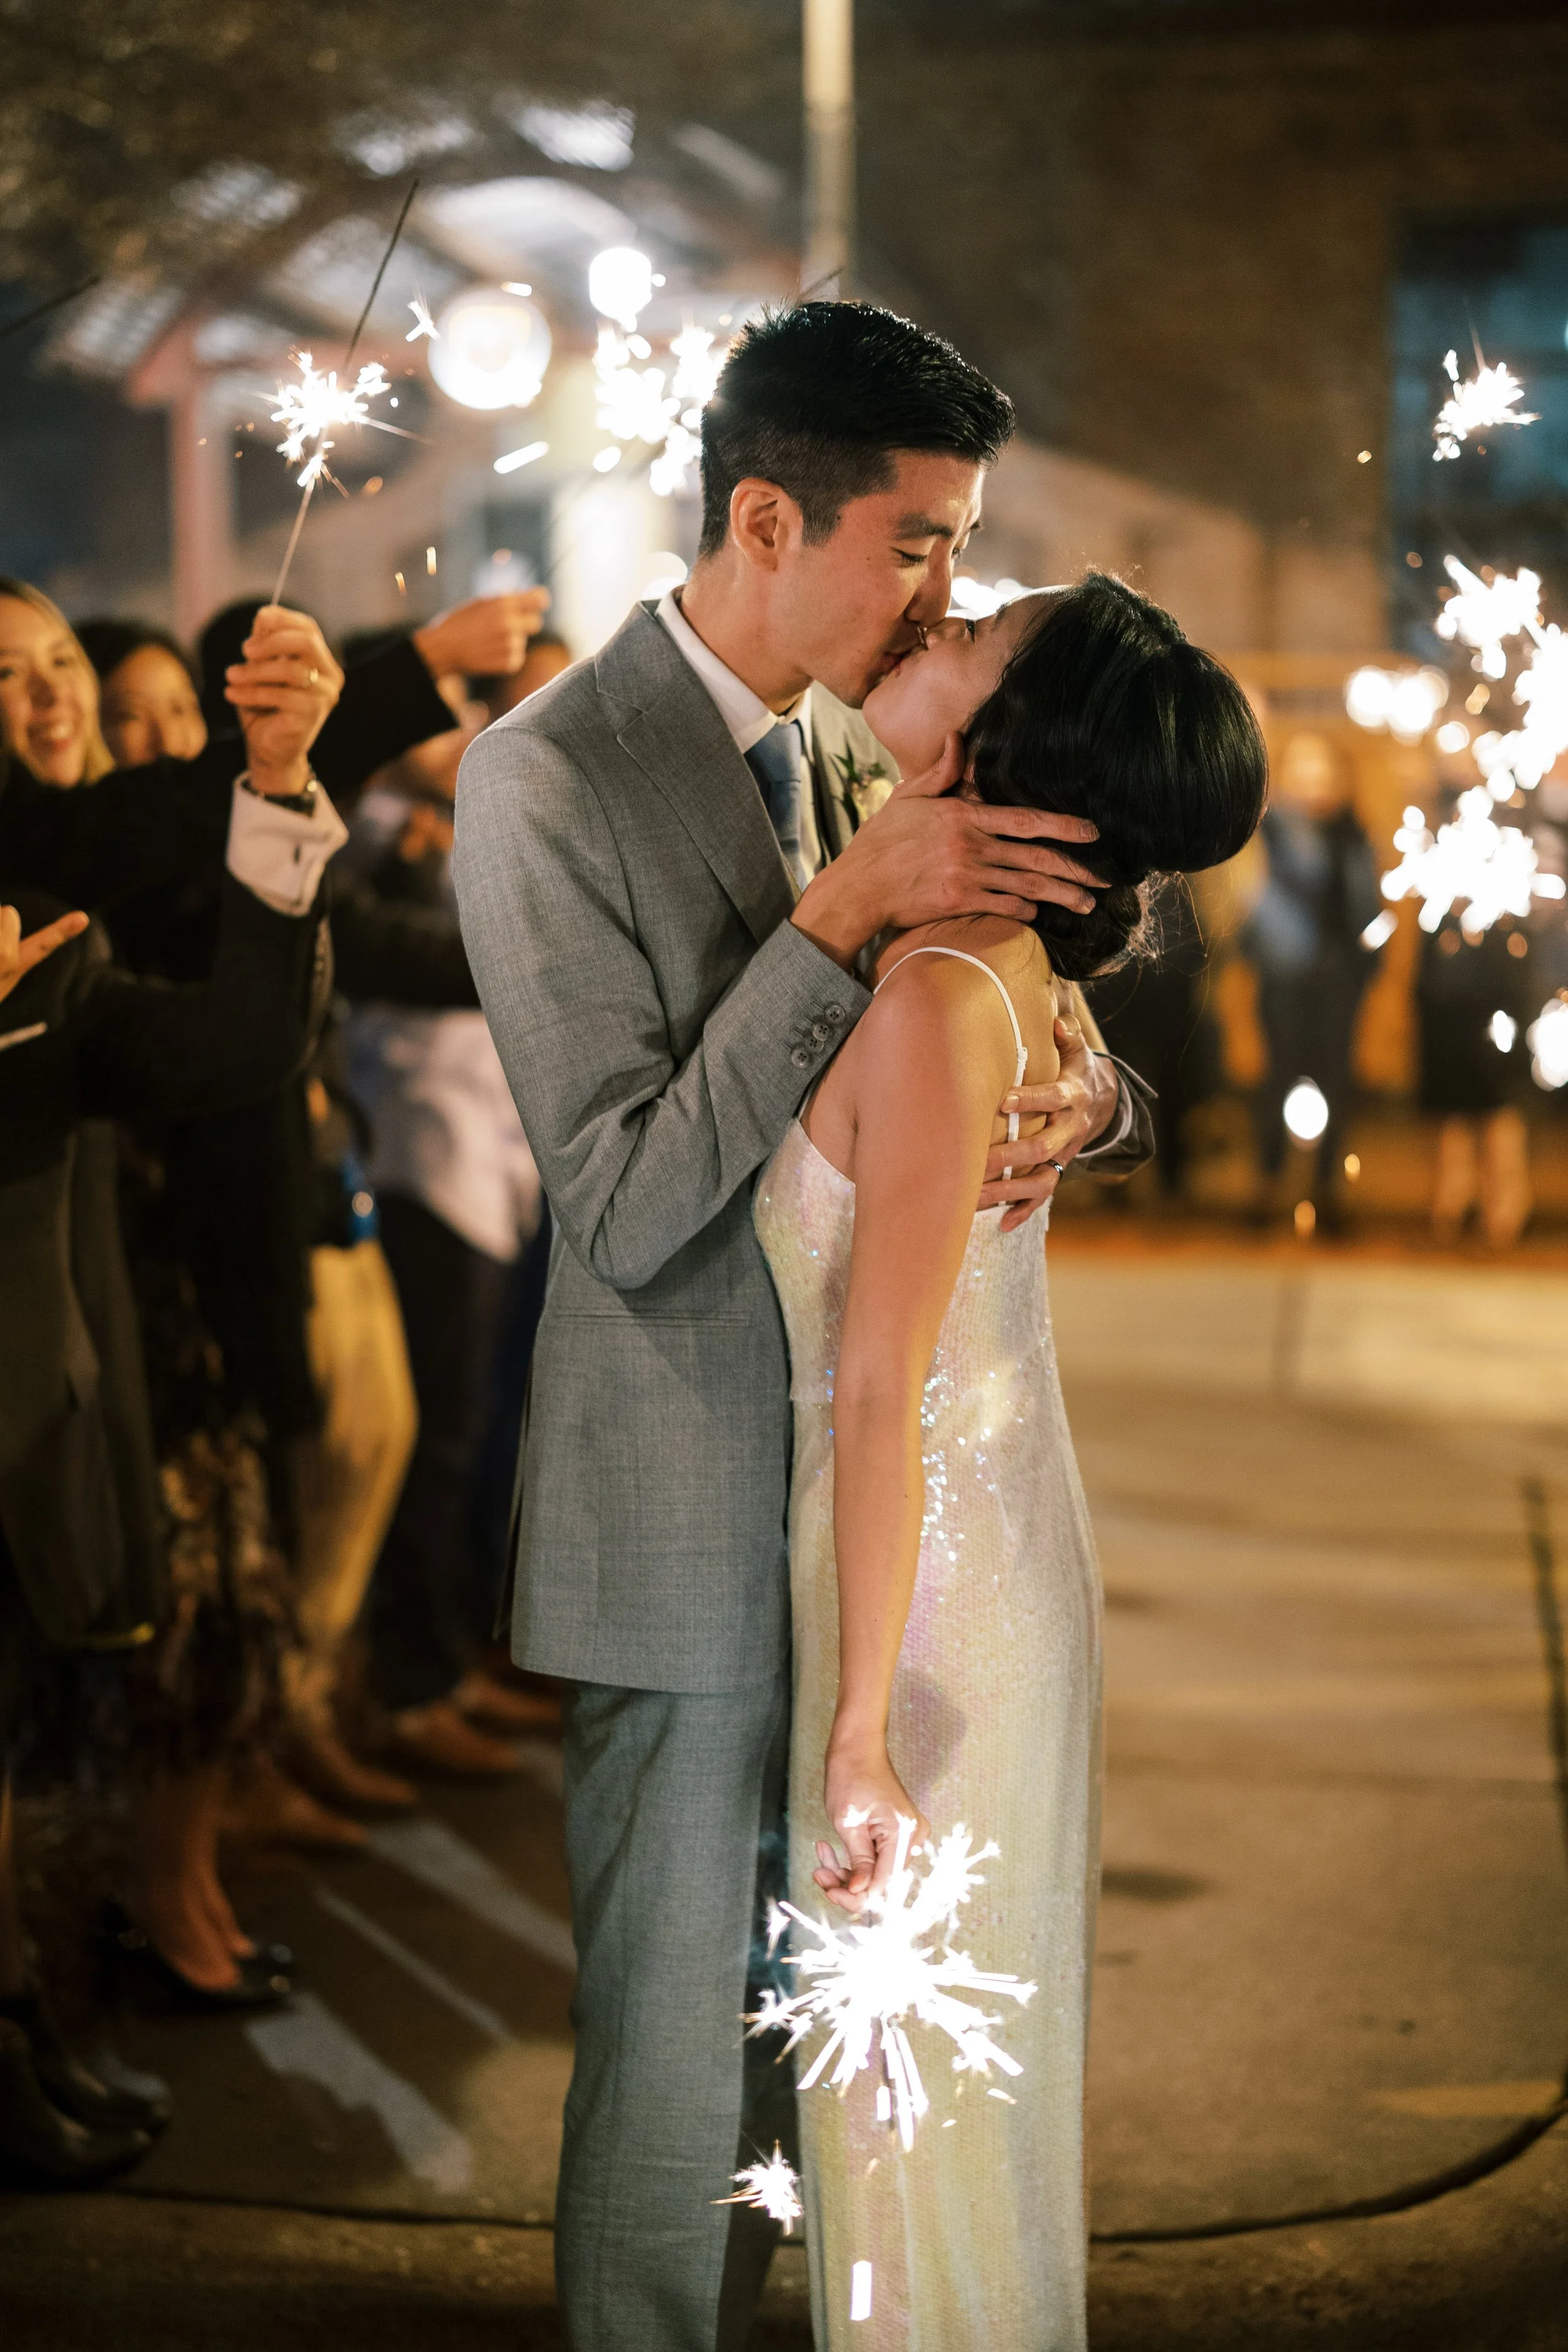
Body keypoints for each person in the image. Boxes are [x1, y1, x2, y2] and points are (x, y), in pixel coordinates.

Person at [455, 301, 1156, 2352]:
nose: (943, 593)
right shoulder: (542, 777)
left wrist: (1091, 1098)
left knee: (834, 2072)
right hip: (682, 1522)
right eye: (916, 542)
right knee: (680, 2082)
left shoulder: (869, 740)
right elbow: (620, 1201)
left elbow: (1007, 1010)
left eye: (962, 547)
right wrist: (843, 912)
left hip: (888, 1550)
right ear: (768, 518)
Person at [755, 569, 1264, 2347]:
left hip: (925, 1604)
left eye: (979, 631)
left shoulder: (932, 998)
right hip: (973, 1556)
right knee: (943, 2106)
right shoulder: (992, 966)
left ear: (1009, 748)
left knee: (907, 2123)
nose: (941, 615)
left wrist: (857, 1732)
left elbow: (876, 1380)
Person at [0, 659, 344, 2176]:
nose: (38, 699)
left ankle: (18, 2031)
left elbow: (240, 1044)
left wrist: (276, 790)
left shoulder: (43, 938)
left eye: (50, 666)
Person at [1242, 728, 1382, 1227]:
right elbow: (1253, 902)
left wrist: (1366, 963)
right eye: (1302, 767)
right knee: (1279, 1077)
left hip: (1339, 978)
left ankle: (1328, 1187)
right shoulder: (1269, 830)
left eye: (1321, 767)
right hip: (1285, 974)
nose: (1312, 778)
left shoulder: (1351, 833)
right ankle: (1270, 1182)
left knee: (1334, 1080)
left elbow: (1367, 907)